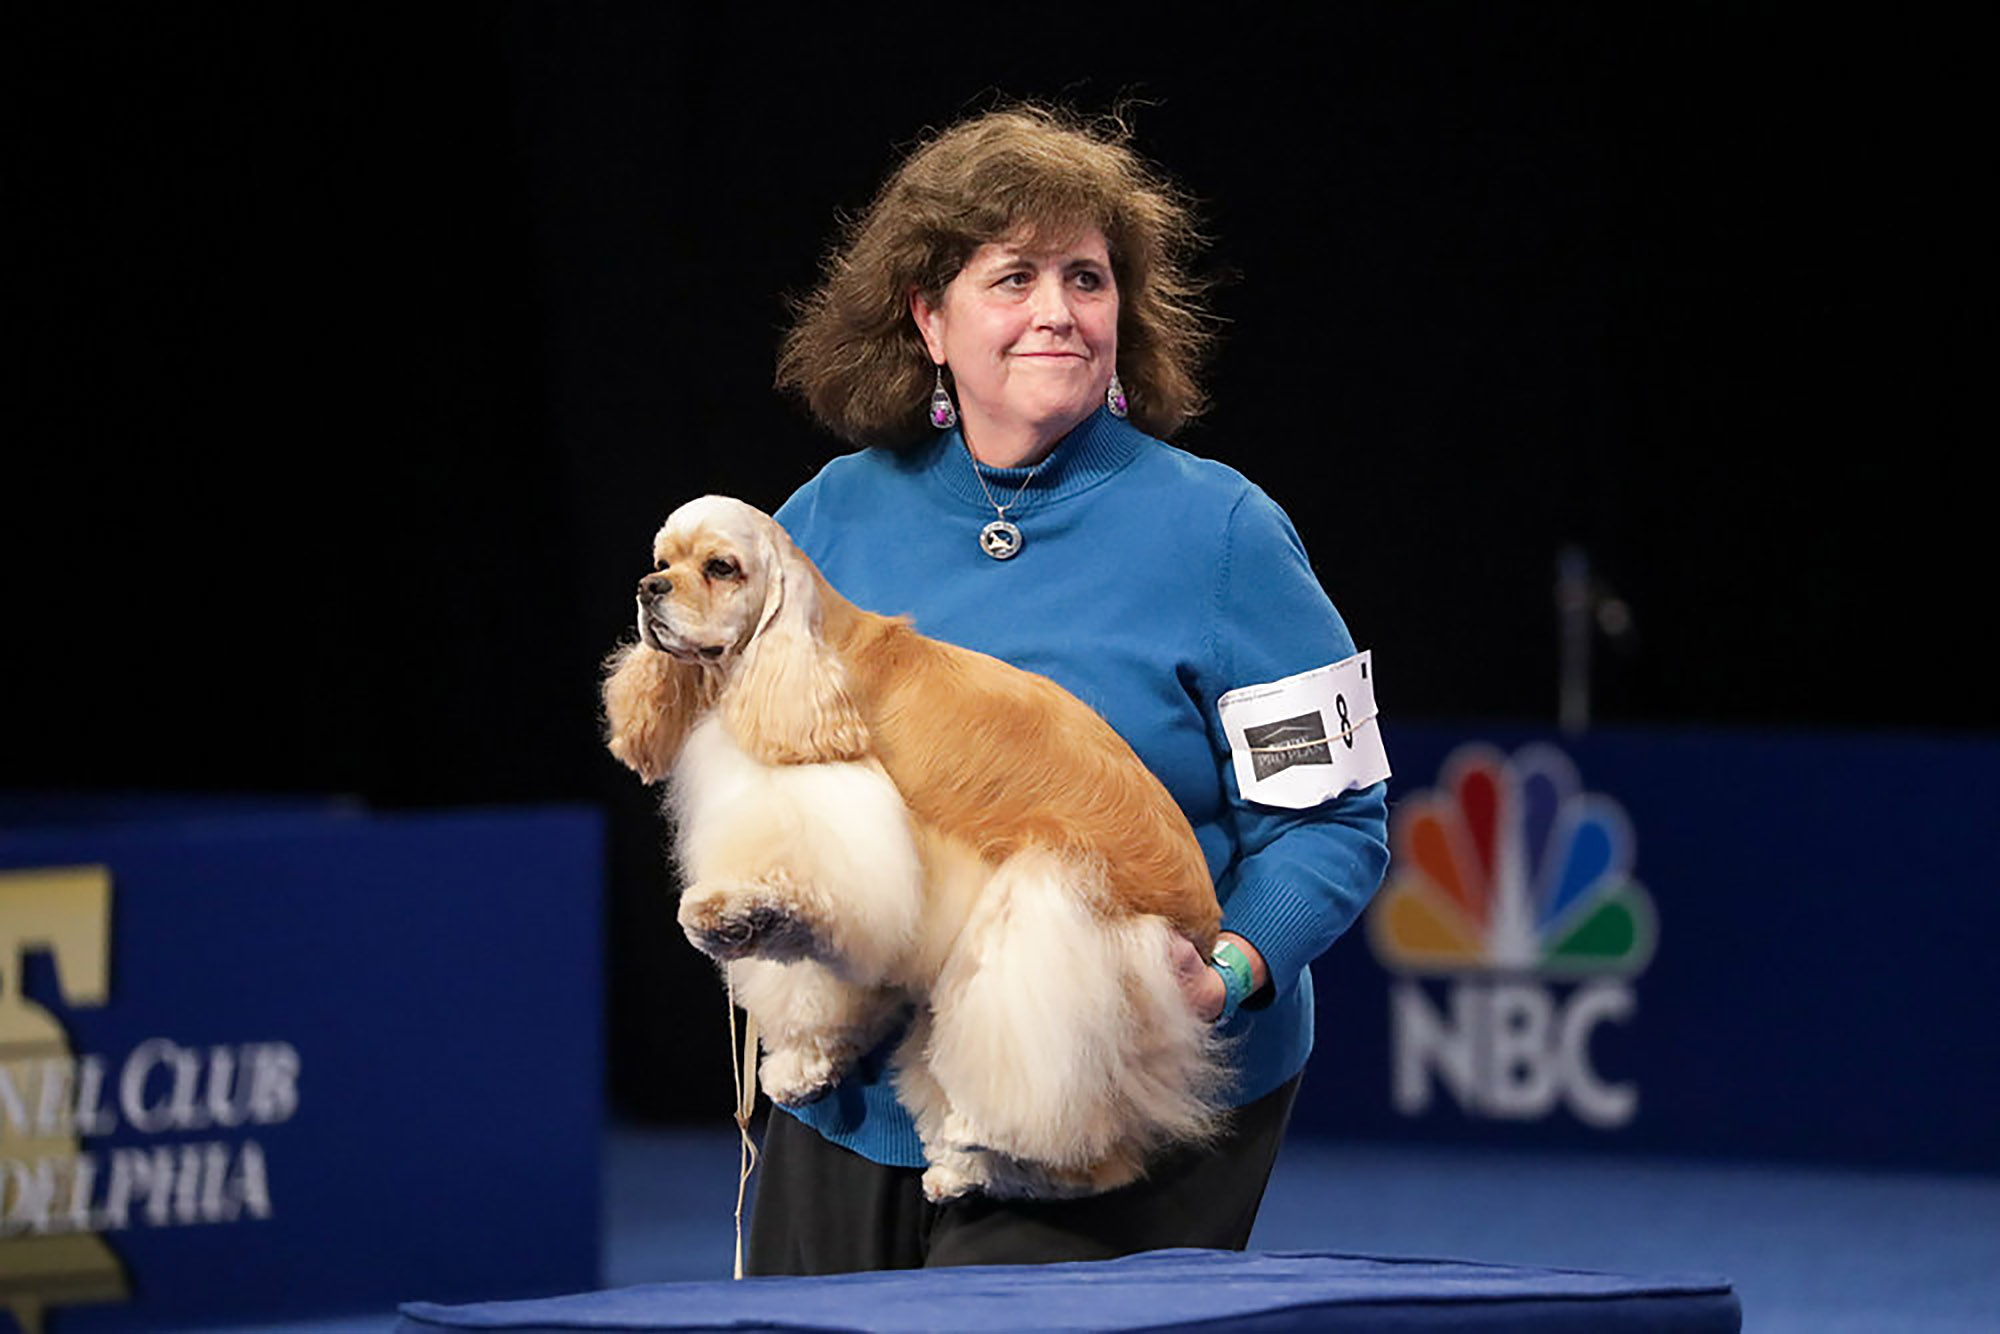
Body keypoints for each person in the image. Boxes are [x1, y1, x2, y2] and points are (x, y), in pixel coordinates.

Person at [750, 104, 1389, 1274]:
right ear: (927, 319)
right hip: (848, 1092)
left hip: (1109, 1089)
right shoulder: (824, 517)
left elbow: (1335, 822)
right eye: (1012, 277)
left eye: (1085, 277)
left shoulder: (1227, 533)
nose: (1056, 310)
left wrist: (1230, 969)